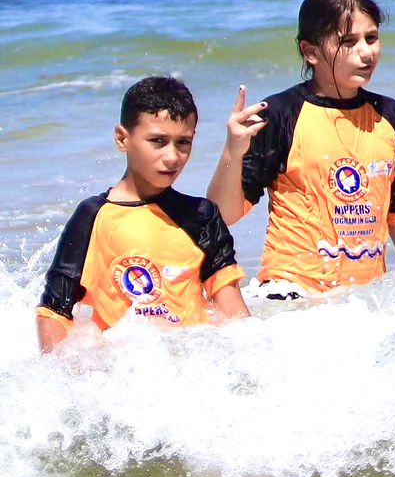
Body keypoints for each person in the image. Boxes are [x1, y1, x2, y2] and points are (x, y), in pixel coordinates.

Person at [208, 0, 395, 299]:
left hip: (367, 300)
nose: (366, 52)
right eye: (348, 41)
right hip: (290, 294)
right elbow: (222, 214)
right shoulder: (280, 114)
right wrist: (231, 152)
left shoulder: (390, 115)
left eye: (371, 38)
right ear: (311, 51)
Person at [38, 77, 248, 350]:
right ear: (122, 138)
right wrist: (65, 376)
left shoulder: (200, 215)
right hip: (128, 371)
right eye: (158, 141)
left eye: (183, 142)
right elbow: (54, 312)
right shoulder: (92, 217)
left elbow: (234, 315)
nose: (173, 157)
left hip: (195, 367)